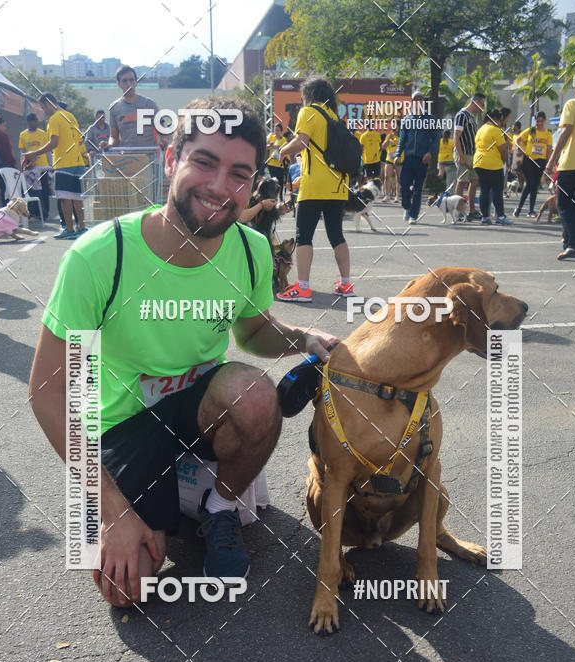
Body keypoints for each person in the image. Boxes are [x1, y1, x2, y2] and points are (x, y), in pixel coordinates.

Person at [28, 99, 338, 606]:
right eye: (204, 162)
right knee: (124, 589)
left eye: (239, 173)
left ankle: (220, 506)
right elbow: (48, 393)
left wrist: (304, 337)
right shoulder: (99, 255)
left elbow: (254, 331)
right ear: (171, 162)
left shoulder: (250, 249)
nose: (220, 187)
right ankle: (156, 499)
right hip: (123, 423)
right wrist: (114, 513)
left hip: (199, 406)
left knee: (256, 395)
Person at [276, 77, 352, 301]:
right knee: (336, 234)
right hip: (338, 184)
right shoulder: (333, 115)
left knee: (304, 235)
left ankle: (303, 288)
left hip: (314, 185)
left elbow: (301, 142)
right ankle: (346, 284)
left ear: (309, 94)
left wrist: (283, 150)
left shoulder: (308, 112)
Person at [545, 68, 575, 260]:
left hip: (571, 163)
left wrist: (551, 160)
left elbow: (566, 132)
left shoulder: (572, 104)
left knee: (564, 205)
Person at [23, 94, 88, 240]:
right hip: (78, 162)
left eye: (43, 107)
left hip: (63, 162)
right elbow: (79, 139)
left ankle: (70, 229)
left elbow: (54, 142)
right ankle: (81, 228)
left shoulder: (53, 119)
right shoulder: (70, 115)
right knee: (77, 197)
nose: (43, 110)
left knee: (65, 198)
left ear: (48, 103)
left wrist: (34, 153)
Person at [394, 90, 440, 223]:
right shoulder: (407, 119)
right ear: (412, 102)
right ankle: (407, 207)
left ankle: (414, 215)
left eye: (421, 99)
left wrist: (430, 152)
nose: (418, 101)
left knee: (418, 188)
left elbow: (436, 139)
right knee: (404, 185)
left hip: (422, 159)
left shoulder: (430, 119)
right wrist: (397, 154)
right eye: (416, 99)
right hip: (408, 158)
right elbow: (402, 140)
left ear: (424, 102)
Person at [108, 65, 159, 149]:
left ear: (136, 82)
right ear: (118, 83)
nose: (129, 84)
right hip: (126, 159)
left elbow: (163, 131)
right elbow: (114, 137)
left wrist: (165, 140)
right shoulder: (114, 107)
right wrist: (109, 144)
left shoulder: (149, 104)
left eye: (131, 80)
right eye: (124, 81)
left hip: (149, 158)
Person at [473, 108, 510, 225]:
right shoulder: (495, 130)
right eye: (500, 119)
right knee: (497, 191)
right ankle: (501, 216)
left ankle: (485, 217)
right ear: (495, 119)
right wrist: (504, 161)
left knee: (484, 190)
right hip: (493, 164)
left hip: (479, 163)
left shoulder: (481, 129)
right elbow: (503, 150)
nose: (501, 122)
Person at [513, 112, 552, 217]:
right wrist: (521, 149)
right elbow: (517, 140)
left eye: (541, 121)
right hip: (529, 161)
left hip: (541, 161)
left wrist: (549, 163)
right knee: (530, 184)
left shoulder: (548, 134)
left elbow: (549, 149)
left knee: (534, 186)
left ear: (544, 121)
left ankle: (531, 210)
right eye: (537, 121)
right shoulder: (530, 131)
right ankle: (519, 208)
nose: (539, 123)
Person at [453, 92, 486, 221]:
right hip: (464, 153)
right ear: (475, 101)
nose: (482, 107)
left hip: (473, 154)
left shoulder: (471, 116)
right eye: (481, 104)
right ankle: (458, 211)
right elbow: (456, 136)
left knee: (474, 181)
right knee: (462, 181)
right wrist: (461, 155)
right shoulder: (462, 115)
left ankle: (472, 210)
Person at [18, 112, 51, 220]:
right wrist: (22, 166)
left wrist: (51, 165)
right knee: (32, 191)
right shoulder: (23, 135)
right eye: (33, 122)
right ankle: (35, 213)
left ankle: (45, 214)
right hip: (30, 169)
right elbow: (22, 152)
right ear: (28, 122)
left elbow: (48, 151)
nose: (35, 124)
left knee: (44, 191)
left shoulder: (42, 133)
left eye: (36, 121)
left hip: (43, 167)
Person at [0, 116, 16, 201]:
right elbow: (7, 152)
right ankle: (6, 212)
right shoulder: (2, 135)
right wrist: (13, 165)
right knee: (6, 190)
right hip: (3, 167)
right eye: (4, 125)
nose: (5, 128)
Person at [266, 122, 287, 199]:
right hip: (271, 163)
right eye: (275, 130)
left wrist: (280, 147)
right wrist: (270, 145)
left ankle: (281, 196)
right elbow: (266, 147)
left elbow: (284, 149)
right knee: (273, 181)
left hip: (280, 163)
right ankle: (273, 197)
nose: (276, 132)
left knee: (280, 181)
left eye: (278, 130)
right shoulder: (271, 137)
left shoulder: (284, 139)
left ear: (281, 131)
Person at [381, 126, 399, 201]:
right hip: (389, 159)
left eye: (396, 126)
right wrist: (389, 138)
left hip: (399, 159)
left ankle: (397, 196)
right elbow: (383, 147)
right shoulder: (389, 135)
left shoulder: (402, 135)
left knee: (398, 178)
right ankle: (387, 196)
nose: (394, 128)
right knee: (387, 177)